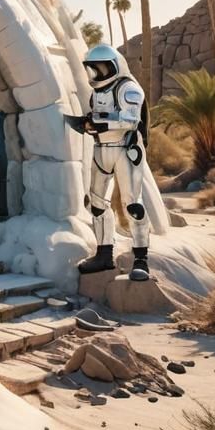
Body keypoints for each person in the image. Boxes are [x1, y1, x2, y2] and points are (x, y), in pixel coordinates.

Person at [67, 44, 152, 282]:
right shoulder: (97, 93)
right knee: (97, 204)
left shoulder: (128, 88)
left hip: (126, 149)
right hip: (101, 148)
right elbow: (98, 117)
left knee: (133, 204)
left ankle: (141, 259)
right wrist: (87, 124)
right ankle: (104, 254)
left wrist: (102, 123)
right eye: (94, 69)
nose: (98, 73)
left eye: (102, 67)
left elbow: (130, 119)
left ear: (114, 66)